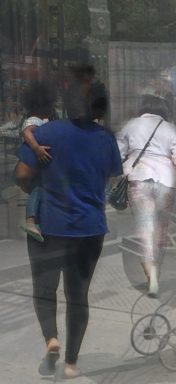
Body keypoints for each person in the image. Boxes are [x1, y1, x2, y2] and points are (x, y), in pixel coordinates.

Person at [14, 65, 122, 379]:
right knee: (79, 296)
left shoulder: (46, 133)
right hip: (89, 229)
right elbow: (113, 174)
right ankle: (72, 363)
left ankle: (51, 339)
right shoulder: (105, 139)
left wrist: (35, 186)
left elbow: (22, 175)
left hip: (48, 227)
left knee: (44, 290)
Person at [116, 94, 176, 297]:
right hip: (165, 183)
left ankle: (150, 275)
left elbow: (117, 155)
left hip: (139, 182)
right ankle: (156, 275)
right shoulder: (169, 128)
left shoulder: (131, 126)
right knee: (160, 232)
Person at [19, 79, 57, 242]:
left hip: (39, 165)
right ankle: (30, 220)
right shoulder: (34, 120)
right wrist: (36, 148)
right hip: (37, 161)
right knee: (38, 189)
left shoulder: (41, 119)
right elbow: (27, 133)